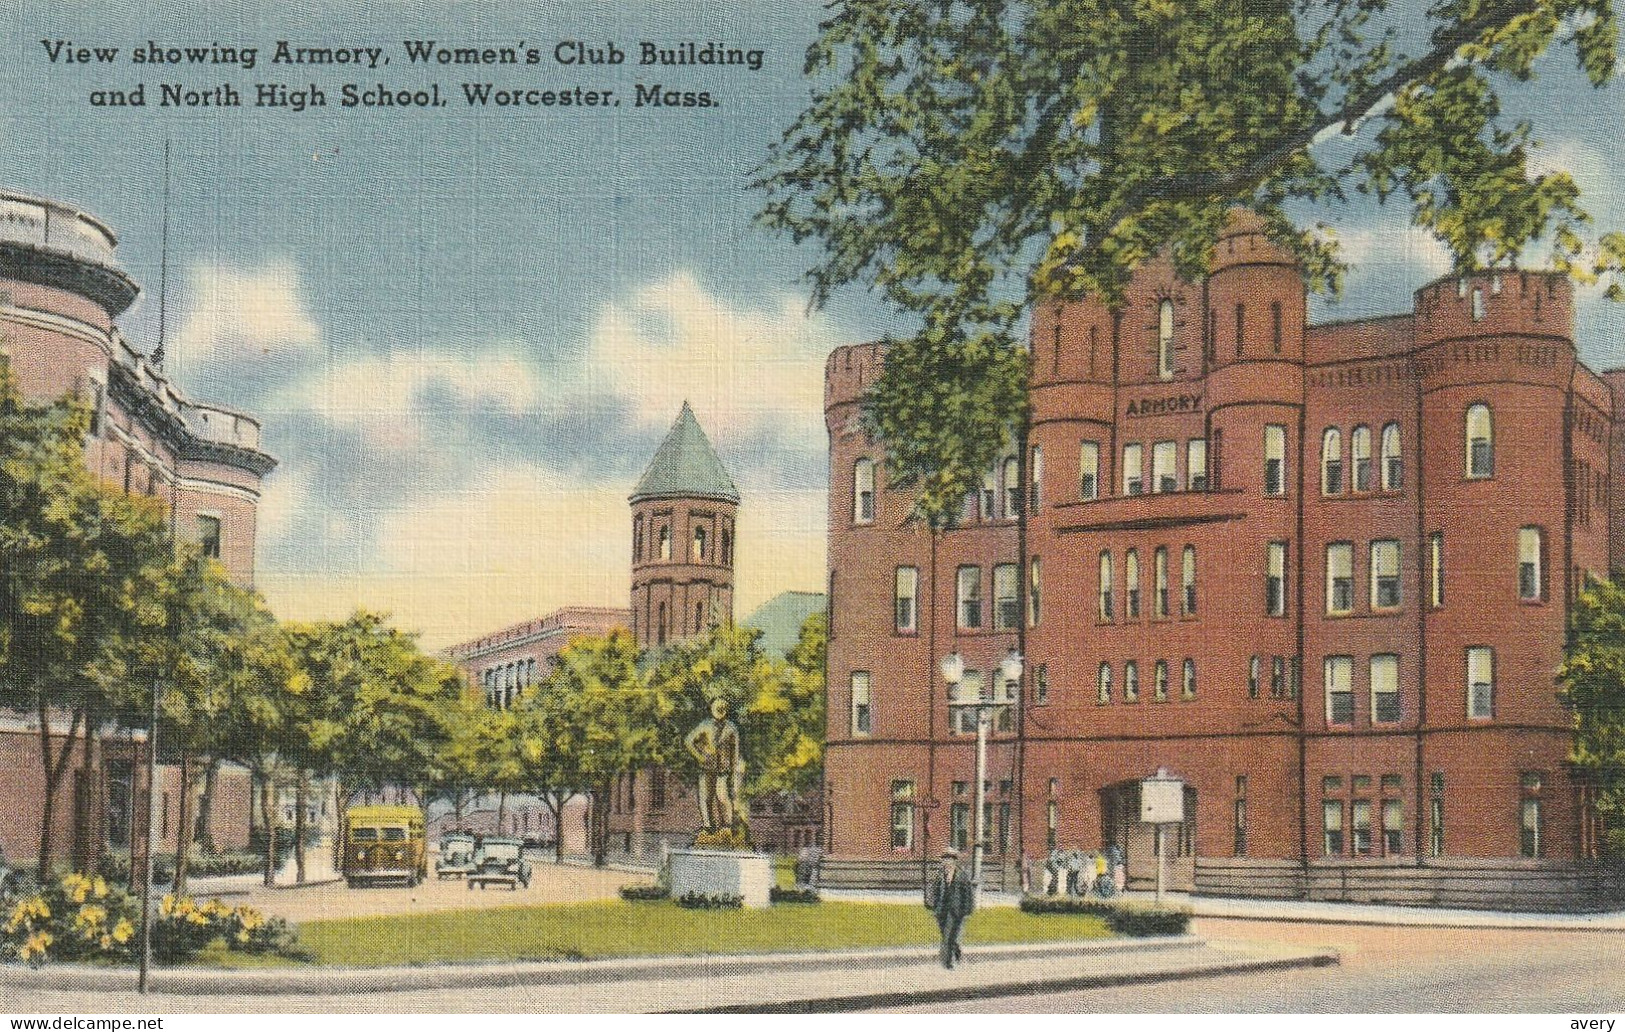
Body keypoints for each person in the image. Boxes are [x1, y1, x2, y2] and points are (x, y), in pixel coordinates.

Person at [925, 848, 975, 969]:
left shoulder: (961, 875)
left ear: (954, 861)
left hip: (955, 911)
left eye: (949, 859)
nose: (946, 862)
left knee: (948, 937)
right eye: (944, 859)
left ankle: (947, 963)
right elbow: (934, 892)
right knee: (947, 935)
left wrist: (967, 910)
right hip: (941, 910)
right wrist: (932, 905)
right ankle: (956, 950)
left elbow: (968, 894)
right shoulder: (939, 875)